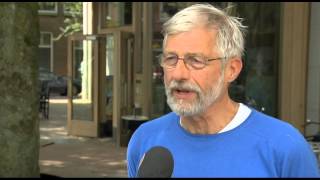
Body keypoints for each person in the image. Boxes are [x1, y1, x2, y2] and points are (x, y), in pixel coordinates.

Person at [127, 3, 320, 177]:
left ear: (232, 69)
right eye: (171, 59)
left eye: (195, 60)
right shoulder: (146, 140)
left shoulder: (283, 147)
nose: (178, 74)